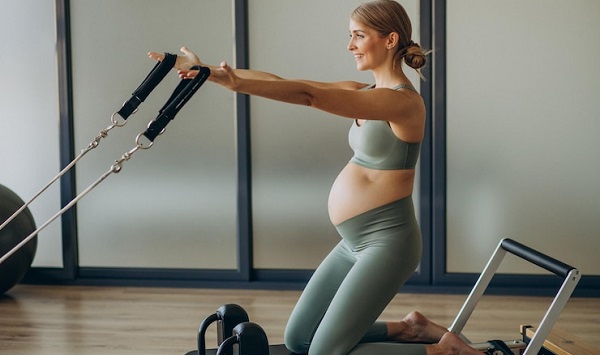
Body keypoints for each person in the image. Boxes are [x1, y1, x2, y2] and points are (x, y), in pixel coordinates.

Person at [150, 1, 480, 354]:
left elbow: (309, 97)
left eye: (358, 35)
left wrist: (237, 86)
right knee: (298, 340)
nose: (350, 45)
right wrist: (211, 72)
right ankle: (410, 329)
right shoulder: (363, 93)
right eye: (350, 36)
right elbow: (288, 83)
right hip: (353, 243)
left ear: (390, 40)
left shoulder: (403, 103)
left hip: (387, 243)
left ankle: (444, 351)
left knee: (323, 353)